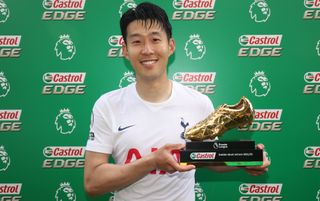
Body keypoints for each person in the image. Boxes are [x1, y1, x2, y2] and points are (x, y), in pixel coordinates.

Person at [84, 2, 271, 201]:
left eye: (155, 39)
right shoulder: (107, 105)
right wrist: (151, 162)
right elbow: (92, 182)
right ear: (125, 50)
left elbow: (209, 158)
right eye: (137, 41)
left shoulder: (198, 102)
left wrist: (243, 161)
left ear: (170, 46)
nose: (147, 50)